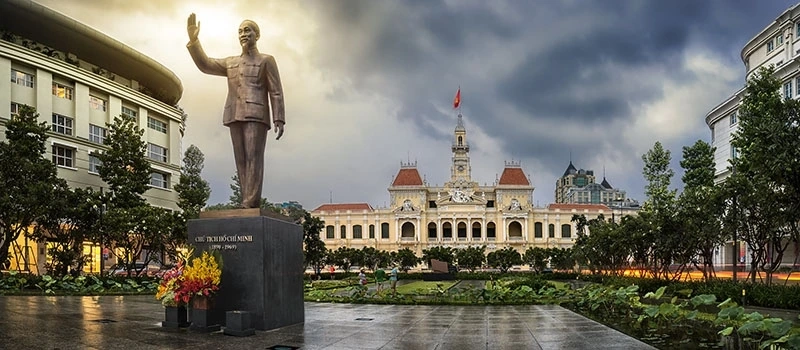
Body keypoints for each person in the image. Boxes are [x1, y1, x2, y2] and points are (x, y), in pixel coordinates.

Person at [186, 13, 285, 208]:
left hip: (256, 115)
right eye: (240, 31)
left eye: (247, 30)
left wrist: (279, 118)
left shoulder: (267, 60)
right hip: (234, 114)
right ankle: (246, 200)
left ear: (257, 35)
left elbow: (276, 91)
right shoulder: (230, 62)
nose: (243, 34)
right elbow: (205, 64)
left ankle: (251, 201)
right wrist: (194, 40)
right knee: (240, 160)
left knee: (253, 158)